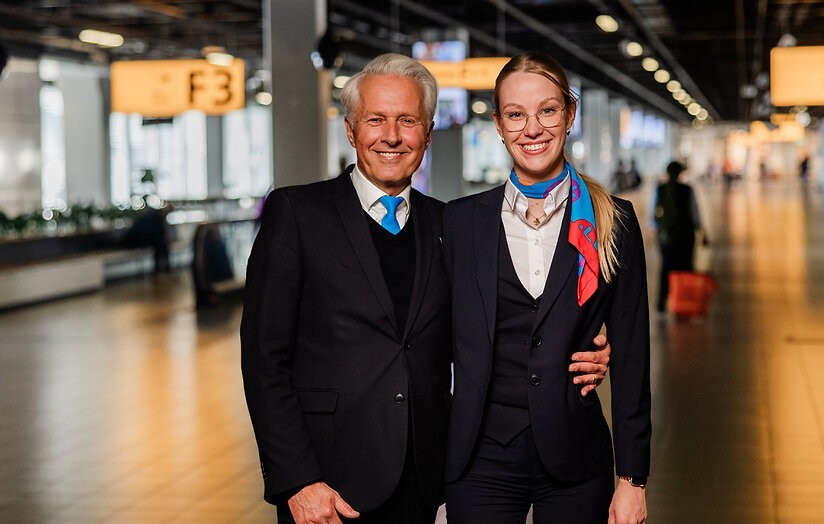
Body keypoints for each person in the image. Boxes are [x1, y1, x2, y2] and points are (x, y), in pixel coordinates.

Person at [240, 53, 611, 524]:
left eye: (407, 121)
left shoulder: (450, 225)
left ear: (428, 134)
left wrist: (587, 347)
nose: (391, 136)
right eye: (376, 120)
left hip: (428, 481)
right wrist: (297, 480)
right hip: (328, 485)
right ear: (352, 130)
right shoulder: (297, 215)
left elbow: (499, 326)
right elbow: (263, 359)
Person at [442, 51, 650, 524]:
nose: (531, 128)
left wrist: (633, 480)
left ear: (570, 115)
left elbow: (635, 359)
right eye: (515, 114)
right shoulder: (460, 221)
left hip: (576, 456)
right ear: (498, 123)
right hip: (481, 457)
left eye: (547, 110)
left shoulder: (611, 221)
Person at [654, 160, 706, 313]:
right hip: (685, 236)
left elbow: (654, 215)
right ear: (679, 174)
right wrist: (702, 232)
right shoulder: (687, 190)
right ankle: (684, 302)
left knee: (666, 268)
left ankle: (661, 304)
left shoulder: (660, 190)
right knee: (685, 269)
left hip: (666, 238)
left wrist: (658, 231)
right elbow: (695, 214)